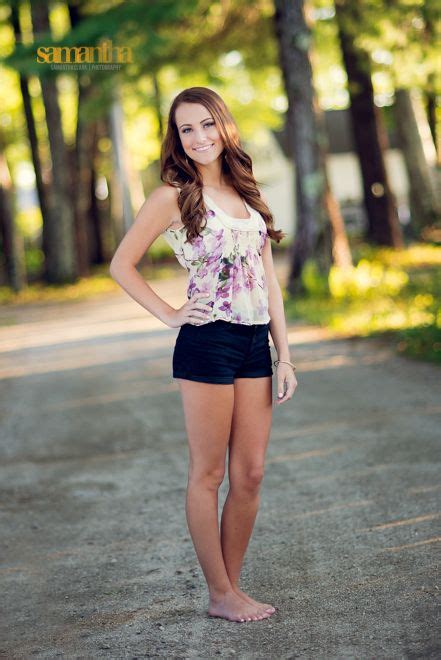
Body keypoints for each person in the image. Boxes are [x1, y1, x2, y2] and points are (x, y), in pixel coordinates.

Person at [109, 86, 298, 623]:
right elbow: (123, 264)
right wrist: (170, 314)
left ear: (224, 127)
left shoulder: (246, 193)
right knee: (208, 473)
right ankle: (220, 593)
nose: (198, 137)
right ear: (177, 138)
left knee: (252, 473)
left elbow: (269, 281)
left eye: (206, 124)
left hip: (254, 343)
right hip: (207, 342)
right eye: (186, 129)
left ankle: (230, 588)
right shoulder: (173, 195)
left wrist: (284, 354)